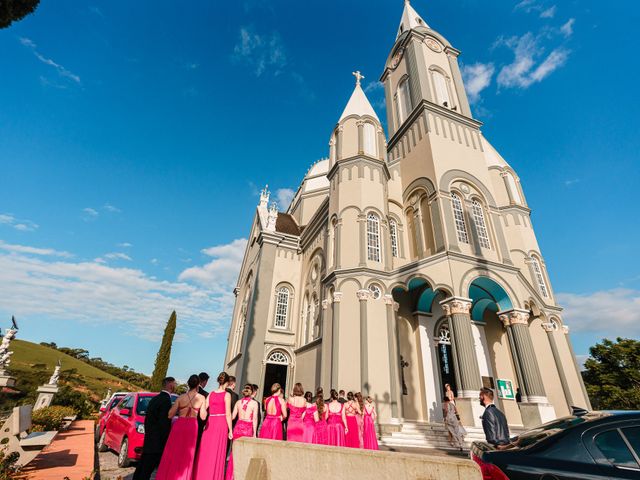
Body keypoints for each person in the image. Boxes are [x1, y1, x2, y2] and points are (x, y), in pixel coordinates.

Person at [156, 375, 205, 480]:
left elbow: (170, 415)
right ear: (197, 385)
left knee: (174, 451)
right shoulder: (201, 398)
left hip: (180, 425)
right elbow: (203, 416)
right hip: (192, 426)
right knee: (187, 454)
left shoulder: (180, 397)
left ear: (188, 384)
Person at [132, 377, 176, 480]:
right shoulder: (165, 400)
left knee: (142, 467)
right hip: (157, 441)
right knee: (147, 469)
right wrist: (165, 439)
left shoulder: (155, 399)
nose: (175, 386)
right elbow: (164, 423)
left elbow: (148, 420)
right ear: (170, 385)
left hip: (149, 438)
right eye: (174, 384)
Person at [193, 372, 233, 480]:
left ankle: (201, 475)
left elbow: (203, 408)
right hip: (221, 424)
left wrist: (204, 419)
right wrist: (230, 430)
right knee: (217, 452)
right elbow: (228, 414)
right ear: (228, 382)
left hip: (210, 423)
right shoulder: (227, 395)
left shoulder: (211, 393)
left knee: (206, 451)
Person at [225, 385, 258, 480]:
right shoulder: (254, 404)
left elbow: (232, 417)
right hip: (247, 429)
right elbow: (255, 419)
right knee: (245, 454)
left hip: (238, 428)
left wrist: (230, 429)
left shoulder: (238, 402)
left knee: (234, 453)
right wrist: (255, 433)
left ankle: (230, 477)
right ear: (251, 392)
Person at [196, 372, 210, 449]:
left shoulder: (190, 391)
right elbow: (206, 410)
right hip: (199, 422)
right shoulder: (205, 394)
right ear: (205, 381)